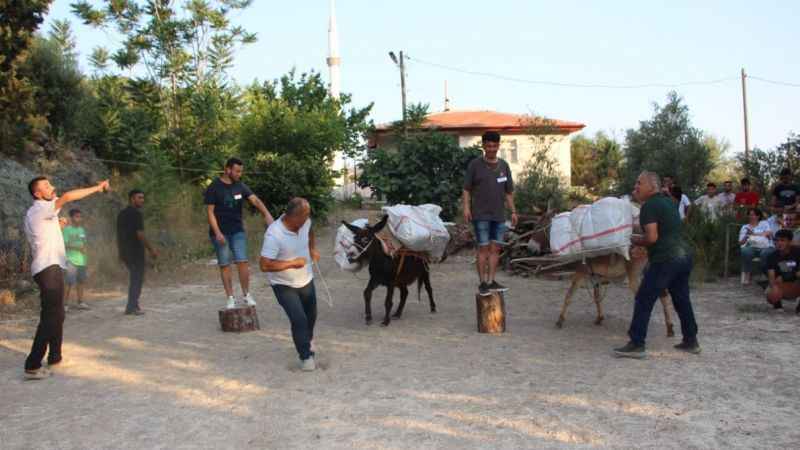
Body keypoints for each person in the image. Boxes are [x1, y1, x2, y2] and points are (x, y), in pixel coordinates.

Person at [23, 176, 109, 380]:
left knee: (58, 313)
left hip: (49, 267)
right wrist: (98, 188)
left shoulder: (40, 213)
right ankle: (33, 364)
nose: (52, 187)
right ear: (37, 194)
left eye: (51, 184)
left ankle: (55, 357)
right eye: (46, 186)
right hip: (48, 268)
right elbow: (69, 196)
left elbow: (42, 237)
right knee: (51, 316)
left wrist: (58, 227)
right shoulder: (40, 209)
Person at [614, 171, 700, 358]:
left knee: (644, 298)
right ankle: (691, 341)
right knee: (681, 298)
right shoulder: (668, 202)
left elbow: (652, 237)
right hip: (684, 256)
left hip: (666, 259)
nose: (635, 186)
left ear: (652, 187)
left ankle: (637, 344)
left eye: (639, 183)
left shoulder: (649, 206)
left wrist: (634, 241)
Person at [259, 198, 320, 371]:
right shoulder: (274, 235)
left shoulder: (305, 222)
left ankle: (307, 339)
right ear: (293, 217)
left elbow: (310, 232)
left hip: (306, 279)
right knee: (299, 319)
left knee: (311, 316)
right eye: (304, 217)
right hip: (283, 284)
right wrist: (291, 263)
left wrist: (312, 249)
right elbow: (264, 265)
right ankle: (306, 357)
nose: (307, 220)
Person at [205, 157, 274, 309]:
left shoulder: (240, 186)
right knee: (225, 265)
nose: (239, 174)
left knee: (242, 262)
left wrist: (267, 215)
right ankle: (230, 298)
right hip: (220, 233)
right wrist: (217, 232)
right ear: (227, 169)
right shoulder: (214, 187)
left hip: (237, 231)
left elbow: (255, 200)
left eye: (241, 171)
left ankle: (246, 295)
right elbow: (210, 212)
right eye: (237, 171)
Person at [462, 131, 518, 296]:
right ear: (484, 146)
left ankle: (492, 281)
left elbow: (508, 192)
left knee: (495, 249)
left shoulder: (504, 166)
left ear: (498, 146)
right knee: (483, 249)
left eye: (494, 146)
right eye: (488, 146)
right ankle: (483, 283)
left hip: (499, 216)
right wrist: (466, 208)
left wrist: (513, 211)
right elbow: (466, 189)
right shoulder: (475, 165)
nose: (491, 149)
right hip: (480, 215)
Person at [116, 189, 158, 316]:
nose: (142, 200)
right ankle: (132, 307)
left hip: (125, 251)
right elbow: (140, 234)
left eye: (142, 198)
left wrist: (120, 253)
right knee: (137, 279)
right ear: (132, 199)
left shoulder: (121, 214)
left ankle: (133, 305)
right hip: (135, 251)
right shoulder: (136, 214)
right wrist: (151, 250)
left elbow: (118, 235)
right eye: (139, 198)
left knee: (135, 278)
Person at [764, 229, 800, 314]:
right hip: (783, 284)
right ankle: (777, 304)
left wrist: (786, 274)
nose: (779, 243)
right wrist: (773, 288)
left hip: (795, 282)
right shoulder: (771, 256)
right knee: (771, 293)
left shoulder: (798, 252)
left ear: (790, 242)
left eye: (783, 240)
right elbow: (771, 276)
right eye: (777, 240)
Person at [62, 209, 90, 310]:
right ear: (71, 218)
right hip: (71, 259)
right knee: (69, 282)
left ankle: (80, 302)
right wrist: (76, 247)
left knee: (81, 281)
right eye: (77, 216)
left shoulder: (82, 230)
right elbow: (64, 244)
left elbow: (84, 243)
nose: (79, 219)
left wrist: (85, 256)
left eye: (80, 216)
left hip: (82, 260)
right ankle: (65, 304)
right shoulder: (67, 230)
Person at [738, 208, 773, 286]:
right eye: (749, 215)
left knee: (764, 254)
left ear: (758, 216)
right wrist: (747, 235)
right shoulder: (745, 227)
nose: (751, 216)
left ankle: (764, 274)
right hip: (752, 246)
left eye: (753, 215)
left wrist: (753, 234)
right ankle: (748, 275)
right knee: (745, 251)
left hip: (766, 246)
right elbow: (740, 243)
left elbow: (768, 234)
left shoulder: (764, 223)